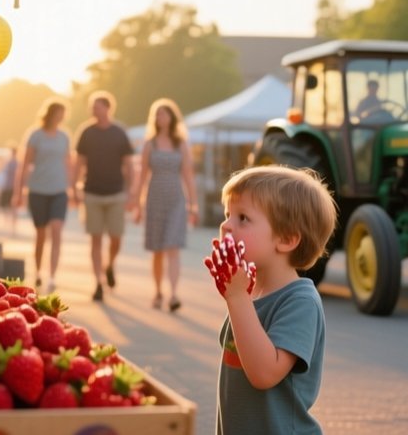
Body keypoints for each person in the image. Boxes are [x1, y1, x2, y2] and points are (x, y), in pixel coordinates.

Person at [210, 166, 338, 434]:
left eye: (242, 218)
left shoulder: (300, 301)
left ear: (287, 239)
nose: (226, 225)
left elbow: (264, 374)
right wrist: (238, 296)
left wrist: (236, 299)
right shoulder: (250, 292)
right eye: (227, 215)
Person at [130, 98, 198, 312]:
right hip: (154, 198)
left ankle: (174, 294)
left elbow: (188, 174)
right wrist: (137, 205)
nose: (161, 118)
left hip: (176, 199)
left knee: (173, 247)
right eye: (157, 114)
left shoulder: (181, 144)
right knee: (158, 249)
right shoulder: (149, 144)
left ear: (172, 117)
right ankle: (158, 291)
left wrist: (193, 204)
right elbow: (141, 176)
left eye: (164, 114)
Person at [72, 90, 134, 301]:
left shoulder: (119, 133)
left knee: (116, 238)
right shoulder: (86, 132)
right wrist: (73, 188)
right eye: (92, 107)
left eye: (97, 107)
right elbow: (78, 163)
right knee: (95, 238)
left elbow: (129, 164)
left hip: (116, 193)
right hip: (92, 193)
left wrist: (131, 192)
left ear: (108, 108)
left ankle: (109, 266)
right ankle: (98, 282)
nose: (93, 110)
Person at [13, 100, 71, 291]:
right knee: (41, 234)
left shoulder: (64, 137)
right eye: (58, 113)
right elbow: (25, 164)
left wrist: (74, 189)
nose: (61, 117)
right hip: (38, 190)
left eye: (63, 114)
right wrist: (19, 192)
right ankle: (38, 272)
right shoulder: (35, 135)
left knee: (56, 229)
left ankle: (52, 275)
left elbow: (68, 163)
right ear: (50, 114)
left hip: (59, 190)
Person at [0, 144, 19, 234]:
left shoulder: (12, 162)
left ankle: (11, 225)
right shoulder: (11, 162)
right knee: (9, 207)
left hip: (11, 187)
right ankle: (9, 225)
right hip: (9, 186)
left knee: (10, 207)